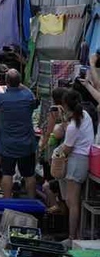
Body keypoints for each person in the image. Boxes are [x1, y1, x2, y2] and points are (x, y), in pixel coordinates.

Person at [0, 69, 38, 199]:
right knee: (29, 175)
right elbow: (34, 99)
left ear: (6, 82)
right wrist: (22, 86)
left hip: (6, 144)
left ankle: (7, 200)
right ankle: (31, 201)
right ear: (19, 82)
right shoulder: (27, 96)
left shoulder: (1, 98)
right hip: (26, 144)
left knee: (7, 174)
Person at [57, 90, 94, 241]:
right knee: (74, 200)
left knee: (72, 201)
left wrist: (58, 152)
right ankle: (75, 235)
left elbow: (67, 148)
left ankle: (72, 237)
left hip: (76, 161)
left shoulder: (73, 126)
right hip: (84, 159)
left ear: (65, 105)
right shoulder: (86, 116)